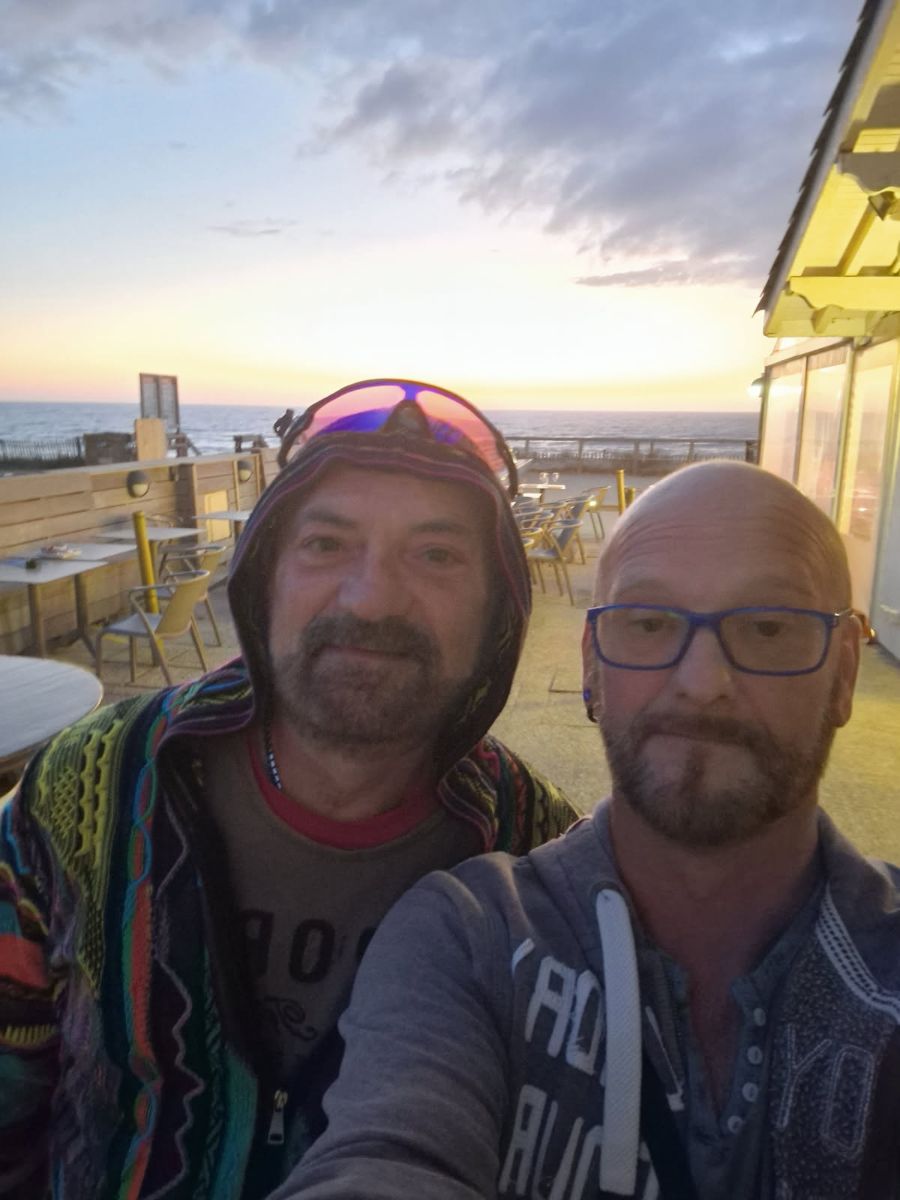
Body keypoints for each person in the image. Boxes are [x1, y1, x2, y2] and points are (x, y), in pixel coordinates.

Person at [0, 379, 577, 1199]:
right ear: (264, 577)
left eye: (437, 554)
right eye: (326, 544)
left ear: (497, 611)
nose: (372, 597)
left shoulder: (537, 858)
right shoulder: (87, 787)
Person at [272, 460, 900, 1200]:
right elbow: (386, 1154)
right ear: (592, 671)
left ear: (846, 673)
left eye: (767, 627)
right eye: (648, 623)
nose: (702, 682)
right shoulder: (470, 937)